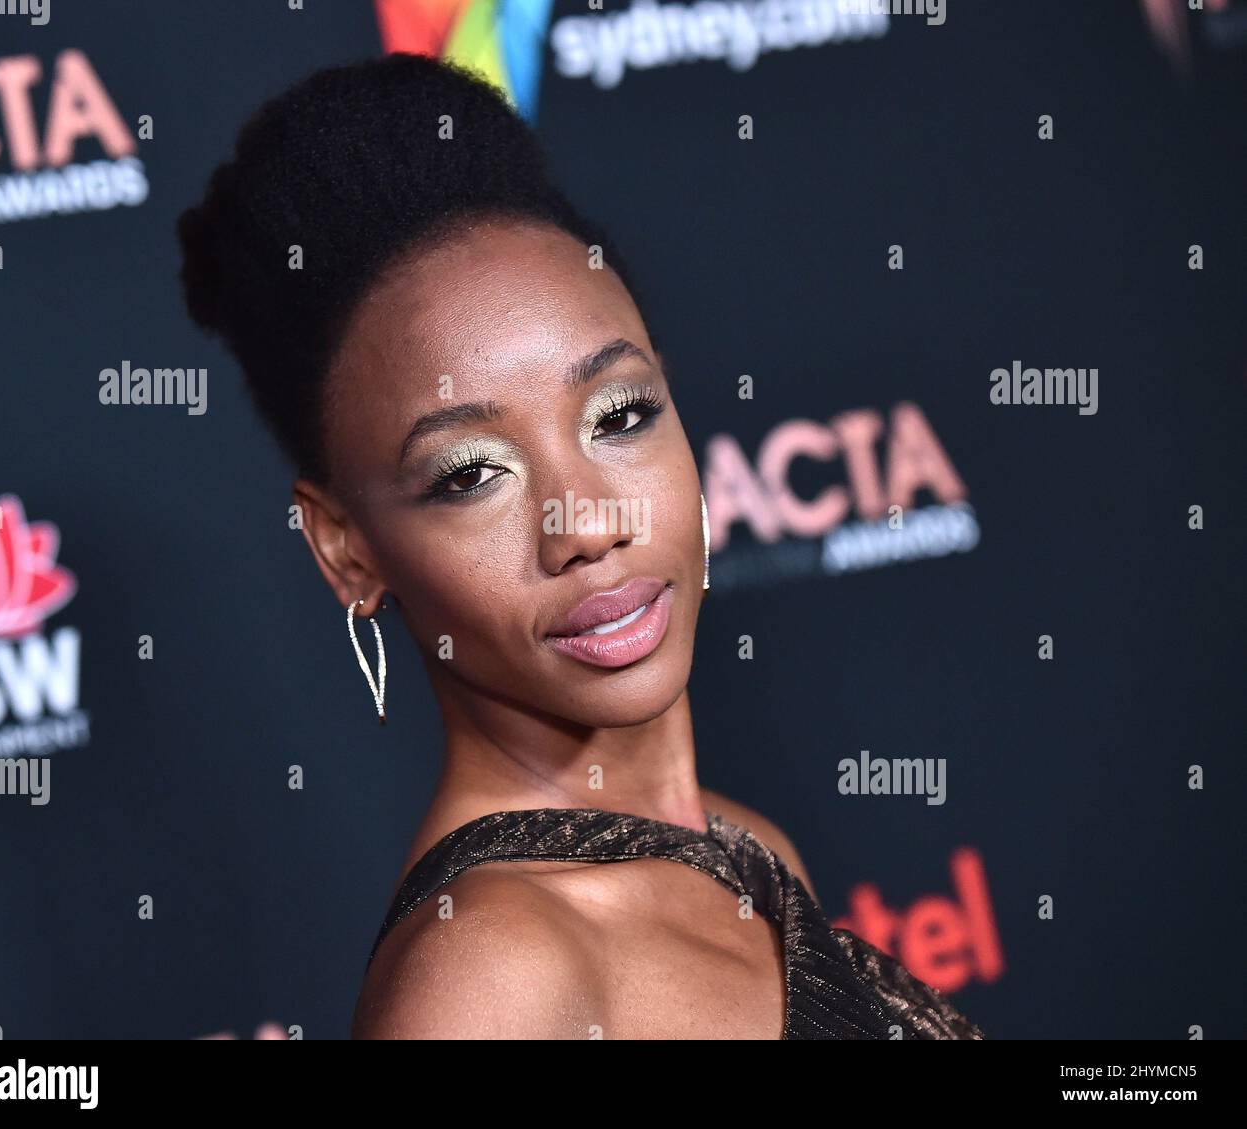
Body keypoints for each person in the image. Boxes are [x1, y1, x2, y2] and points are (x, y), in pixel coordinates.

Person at [177, 53, 984, 1040]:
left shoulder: (743, 849)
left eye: (620, 413)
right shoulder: (489, 978)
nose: (585, 525)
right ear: (347, 549)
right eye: (469, 474)